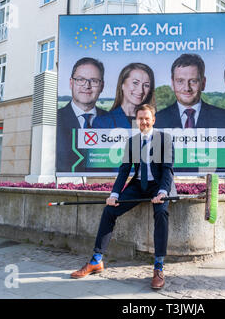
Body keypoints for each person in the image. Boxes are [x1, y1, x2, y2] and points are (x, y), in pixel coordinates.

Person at [70, 104, 175, 290]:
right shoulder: (132, 141)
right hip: (138, 185)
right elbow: (124, 170)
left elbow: (167, 170)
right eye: (140, 119)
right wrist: (114, 194)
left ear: (153, 119)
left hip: (158, 187)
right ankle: (96, 260)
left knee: (161, 214)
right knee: (109, 211)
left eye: (146, 118)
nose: (143, 122)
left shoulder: (164, 139)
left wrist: (162, 192)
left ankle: (158, 266)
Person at [56, 57, 107, 172]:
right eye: (80, 79)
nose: (86, 86)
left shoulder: (114, 121)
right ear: (71, 83)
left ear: (102, 86)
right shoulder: (55, 120)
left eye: (94, 81)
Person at [155, 53, 225, 129]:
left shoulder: (224, 119)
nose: (187, 88)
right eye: (180, 81)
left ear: (203, 83)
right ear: (172, 83)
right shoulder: (157, 120)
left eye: (193, 81)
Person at [92, 63, 155, 129]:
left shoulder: (157, 122)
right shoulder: (102, 122)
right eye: (135, 83)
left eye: (146, 85)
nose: (141, 90)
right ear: (122, 84)